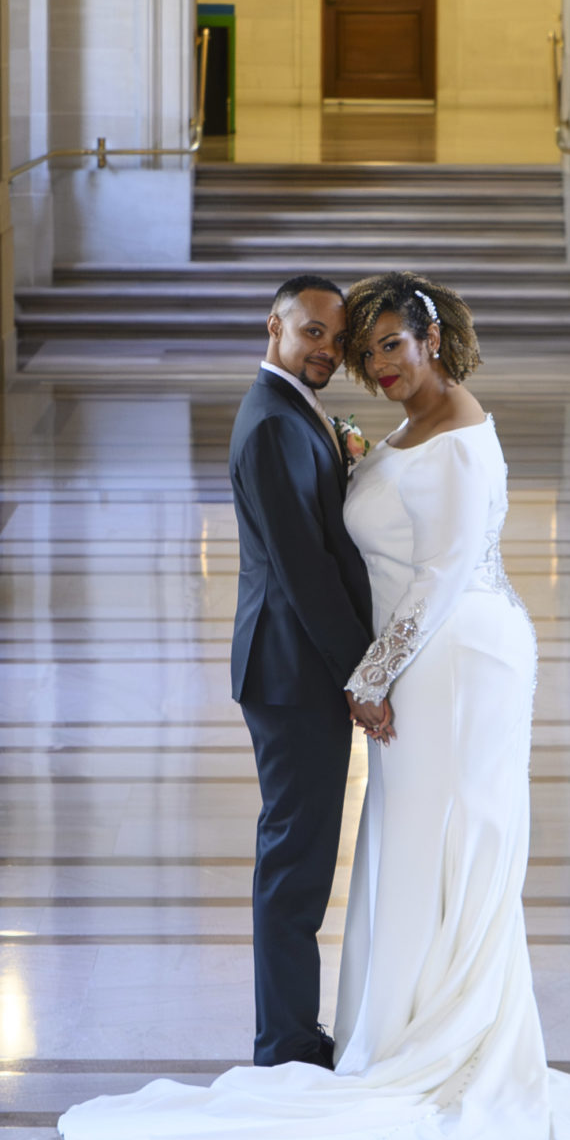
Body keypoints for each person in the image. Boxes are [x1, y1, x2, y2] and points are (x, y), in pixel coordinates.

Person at [60, 272, 570, 1140]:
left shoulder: (447, 432)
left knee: (442, 845)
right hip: (386, 664)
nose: (372, 361)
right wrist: (373, 665)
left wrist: (370, 674)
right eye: (360, 347)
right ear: (276, 330)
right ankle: (348, 1037)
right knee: (381, 847)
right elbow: (326, 554)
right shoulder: (316, 421)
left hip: (455, 661)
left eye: (387, 343)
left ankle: (432, 1033)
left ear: (434, 338)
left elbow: (435, 576)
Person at [225, 275, 374, 1069]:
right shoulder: (274, 426)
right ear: (275, 324)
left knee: (301, 859)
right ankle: (284, 1044)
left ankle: (289, 1031)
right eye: (312, 331)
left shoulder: (290, 410)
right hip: (291, 674)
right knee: (294, 864)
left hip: (292, 668)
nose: (325, 349)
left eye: (334, 338)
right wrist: (364, 675)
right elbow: (304, 571)